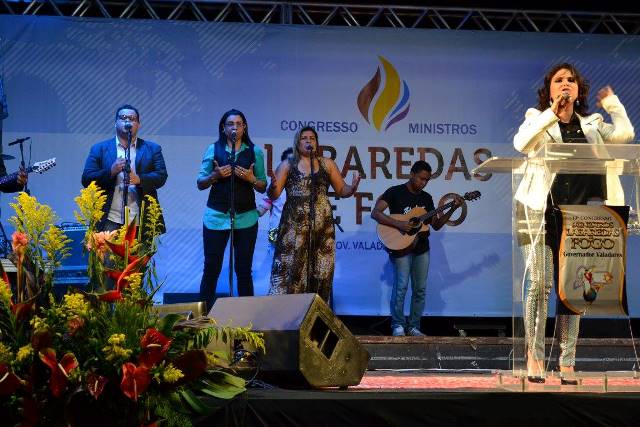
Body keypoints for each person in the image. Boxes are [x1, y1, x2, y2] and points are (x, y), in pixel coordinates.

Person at [513, 63, 634, 383]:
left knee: (573, 289)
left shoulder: (592, 124)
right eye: (558, 80)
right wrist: (552, 113)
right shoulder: (535, 118)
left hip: (577, 215)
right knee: (540, 283)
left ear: (579, 90)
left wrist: (612, 105)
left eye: (571, 80)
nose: (565, 84)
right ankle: (535, 355)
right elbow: (521, 144)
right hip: (537, 211)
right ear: (549, 90)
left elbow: (625, 136)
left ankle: (567, 361)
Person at [268, 126, 360, 303]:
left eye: (312, 138)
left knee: (321, 272)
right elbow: (274, 194)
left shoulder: (327, 164)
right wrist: (272, 187)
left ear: (317, 142)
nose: (309, 141)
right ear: (297, 142)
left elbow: (342, 190)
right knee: (291, 270)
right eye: (304, 138)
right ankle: (287, 313)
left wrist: (352, 187)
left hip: (322, 227)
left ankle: (316, 313)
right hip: (294, 227)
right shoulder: (288, 165)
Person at [372, 161, 463, 337]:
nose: (424, 183)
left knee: (420, 289)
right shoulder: (394, 192)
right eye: (421, 178)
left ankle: (413, 326)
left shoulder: (426, 198)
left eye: (427, 180)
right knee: (401, 287)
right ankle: (398, 325)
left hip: (421, 249)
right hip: (401, 248)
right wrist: (399, 224)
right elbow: (376, 213)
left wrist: (452, 208)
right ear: (412, 174)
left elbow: (436, 225)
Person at [197, 109, 267, 310]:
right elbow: (200, 183)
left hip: (246, 218)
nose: (234, 128)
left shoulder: (255, 151)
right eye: (230, 124)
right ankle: (203, 318)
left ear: (244, 128)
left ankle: (247, 318)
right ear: (223, 128)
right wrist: (215, 176)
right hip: (216, 218)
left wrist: (251, 179)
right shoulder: (213, 149)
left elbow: (263, 185)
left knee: (244, 270)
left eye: (238, 124)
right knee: (211, 268)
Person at [81, 104, 168, 232]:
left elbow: (161, 176)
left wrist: (139, 179)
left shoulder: (152, 149)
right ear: (115, 123)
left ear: (138, 124)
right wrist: (111, 172)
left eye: (132, 119)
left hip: (141, 218)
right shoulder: (99, 149)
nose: (127, 121)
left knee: (140, 247)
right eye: (123, 118)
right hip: (109, 218)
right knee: (106, 246)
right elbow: (86, 179)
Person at [256, 147, 293, 252]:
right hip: (276, 231)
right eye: (288, 162)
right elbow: (261, 210)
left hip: (297, 234)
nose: (291, 166)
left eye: (295, 162)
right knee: (275, 259)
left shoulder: (305, 187)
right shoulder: (275, 186)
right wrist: (248, 214)